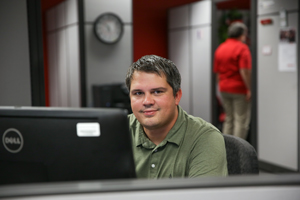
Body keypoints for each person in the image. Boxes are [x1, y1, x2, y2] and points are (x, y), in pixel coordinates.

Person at [125, 55, 228, 179]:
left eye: (157, 92)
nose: (147, 101)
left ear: (177, 96)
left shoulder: (205, 138)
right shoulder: (116, 132)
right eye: (138, 93)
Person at [213, 22, 252, 140]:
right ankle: (239, 152)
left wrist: (220, 87)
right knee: (241, 120)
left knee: (228, 118)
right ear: (241, 35)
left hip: (224, 88)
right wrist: (249, 89)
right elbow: (244, 71)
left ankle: (227, 149)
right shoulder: (242, 48)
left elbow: (217, 73)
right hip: (239, 89)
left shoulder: (221, 48)